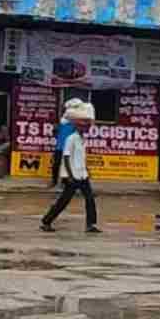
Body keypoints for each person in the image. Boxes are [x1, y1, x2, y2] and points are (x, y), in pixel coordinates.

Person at [41, 102, 99, 232]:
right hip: (72, 176)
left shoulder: (82, 139)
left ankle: (91, 225)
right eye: (86, 126)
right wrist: (70, 176)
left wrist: (87, 171)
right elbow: (66, 157)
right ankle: (46, 221)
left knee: (90, 199)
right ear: (78, 126)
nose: (88, 128)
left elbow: (81, 158)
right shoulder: (71, 139)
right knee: (64, 201)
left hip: (82, 175)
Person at [49, 98, 83, 188]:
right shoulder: (61, 122)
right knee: (56, 164)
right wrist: (55, 130)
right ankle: (54, 181)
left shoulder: (75, 123)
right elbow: (55, 132)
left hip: (69, 147)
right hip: (59, 147)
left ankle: (65, 182)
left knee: (68, 165)